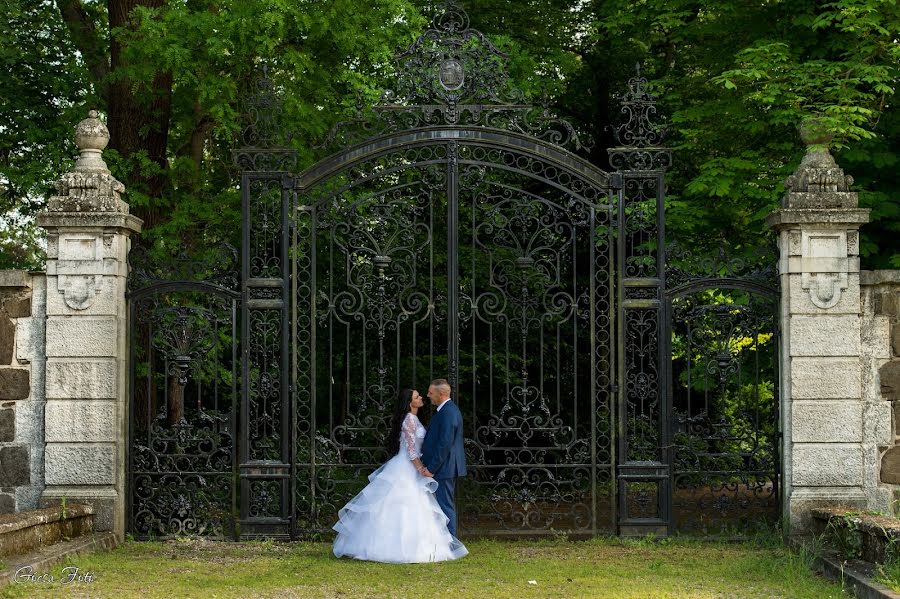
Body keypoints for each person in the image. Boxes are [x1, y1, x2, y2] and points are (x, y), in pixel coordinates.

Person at [331, 388, 468, 563]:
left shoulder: (414, 418)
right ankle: (394, 547)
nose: (421, 398)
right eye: (417, 396)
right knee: (402, 505)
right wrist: (421, 469)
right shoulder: (409, 420)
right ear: (410, 402)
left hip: (412, 466)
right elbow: (411, 450)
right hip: (407, 467)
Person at [420, 378, 467, 538]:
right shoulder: (446, 410)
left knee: (445, 505)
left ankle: (451, 542)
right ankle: (445, 540)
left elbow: (444, 443)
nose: (428, 395)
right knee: (442, 504)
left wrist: (432, 468)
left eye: (431, 392)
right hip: (444, 466)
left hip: (444, 467)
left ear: (441, 393)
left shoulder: (448, 412)